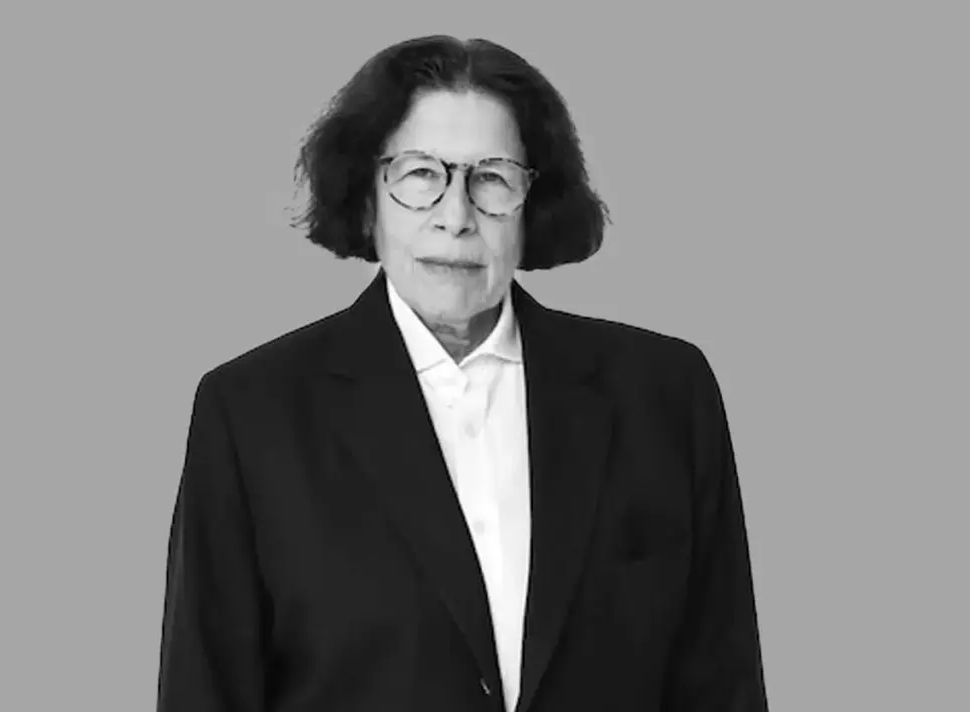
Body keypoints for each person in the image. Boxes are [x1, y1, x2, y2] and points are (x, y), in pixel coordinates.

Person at [156, 34, 768, 712]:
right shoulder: (251, 413)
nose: (456, 218)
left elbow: (725, 685)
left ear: (533, 204)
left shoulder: (664, 394)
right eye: (421, 175)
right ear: (368, 199)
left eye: (492, 178)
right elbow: (204, 692)